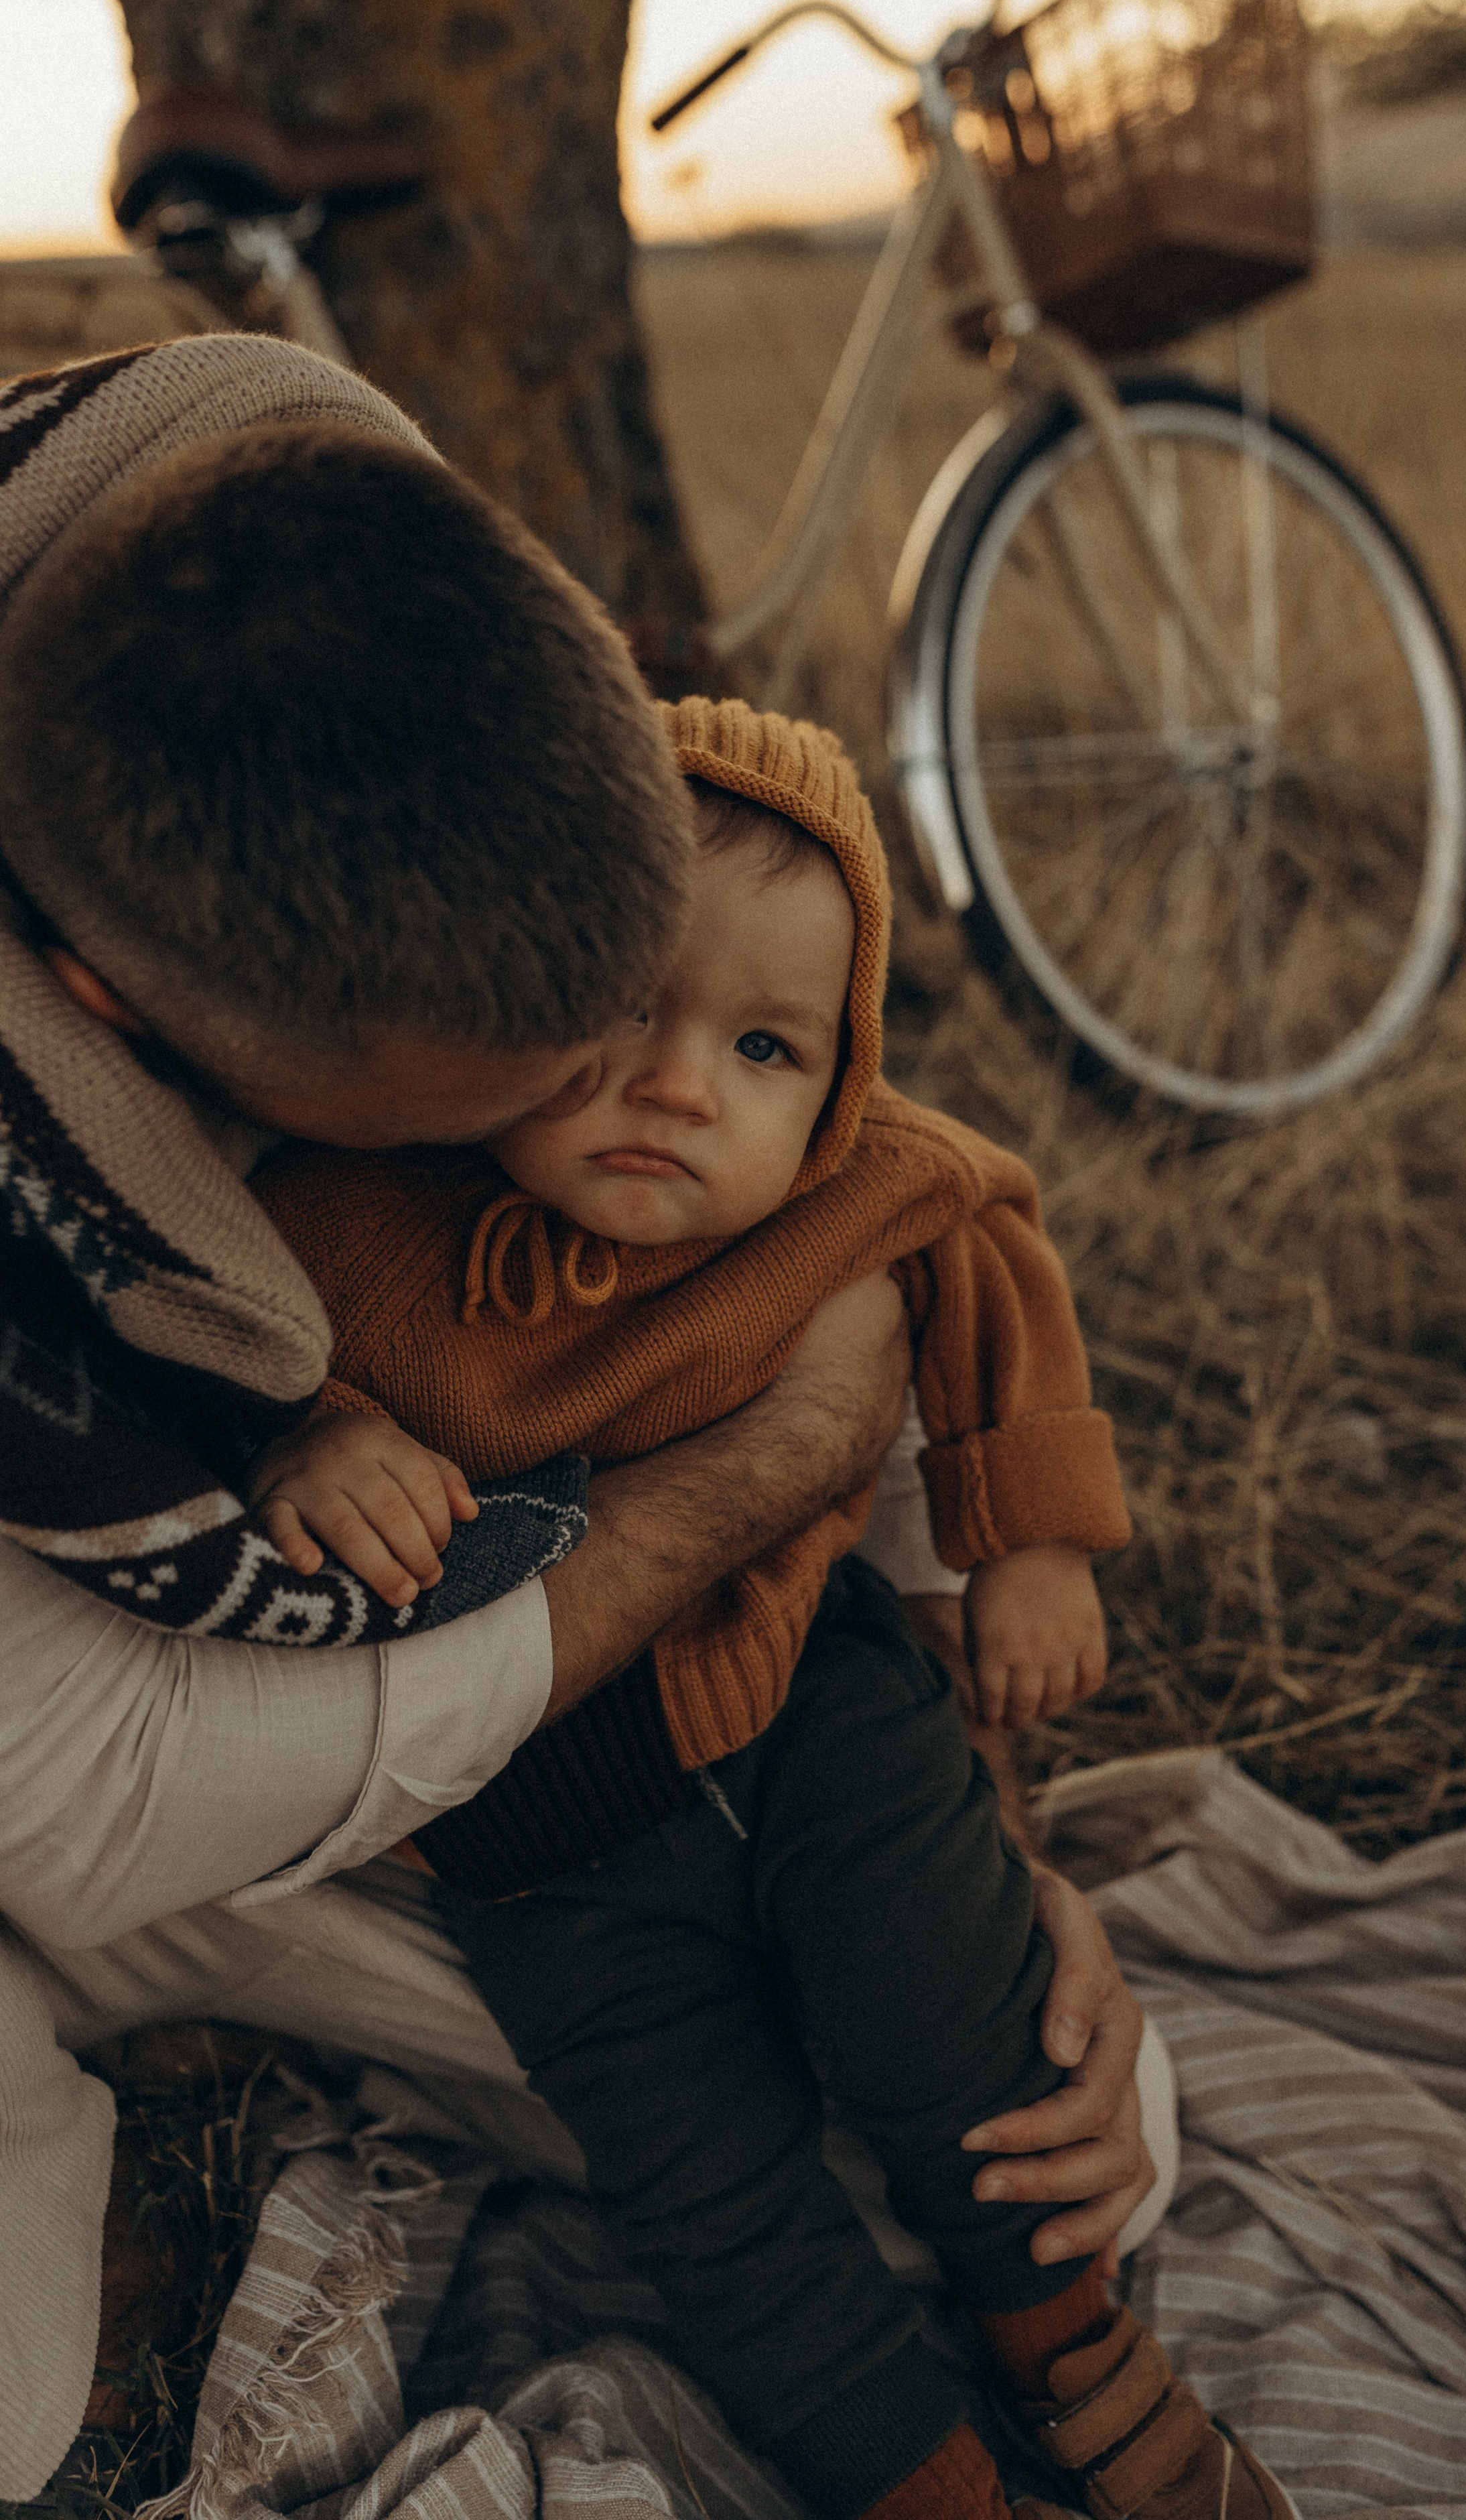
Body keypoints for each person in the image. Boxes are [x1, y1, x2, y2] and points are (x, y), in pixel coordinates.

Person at [0, 336, 1150, 2503]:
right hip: (126, 1775)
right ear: (120, 1025)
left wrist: (991, 1836)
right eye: (503, 1105)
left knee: (1071, 2123)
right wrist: (764, 1467)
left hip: (696, 1713)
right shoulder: (107, 1232)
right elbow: (84, 1793)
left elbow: (862, 1232)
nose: (632, 1113)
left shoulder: (271, 503)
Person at [249, 698, 1298, 2520]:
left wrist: (1029, 1543)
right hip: (533, 1842)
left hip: (819, 1701)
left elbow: (993, 1241)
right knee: (707, 2188)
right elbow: (221, 1333)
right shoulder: (356, 1212)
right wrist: (313, 1427)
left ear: (836, 1076)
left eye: (761, 1045)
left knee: (956, 2014)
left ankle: (1066, 2335)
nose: (681, 1086)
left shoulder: (851, 1186)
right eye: (620, 1010)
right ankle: (910, 2473)